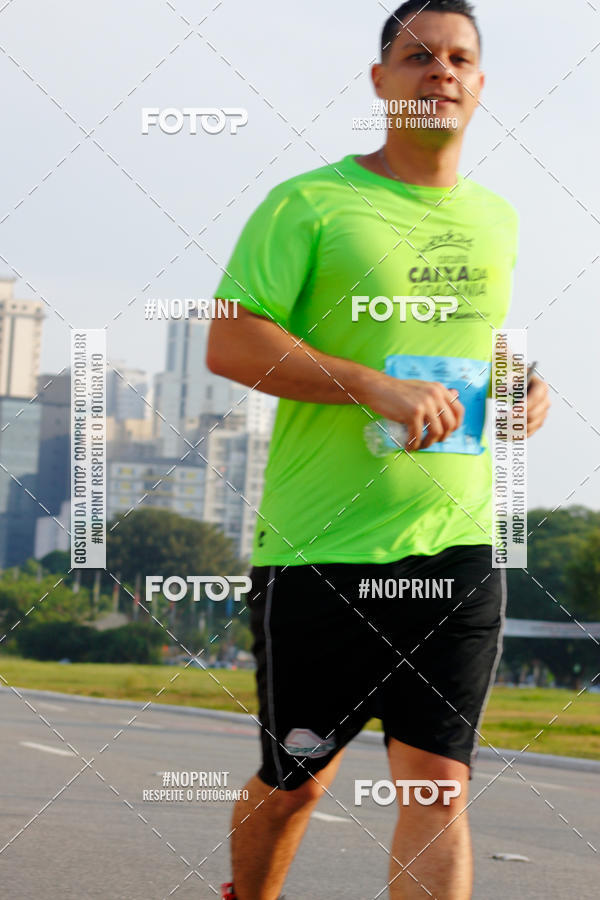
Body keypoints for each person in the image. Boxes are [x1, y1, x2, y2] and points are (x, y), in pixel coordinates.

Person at [208, 1, 550, 897]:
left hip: (456, 543)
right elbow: (231, 343)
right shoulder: (310, 203)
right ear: (379, 81)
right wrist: (371, 384)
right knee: (296, 785)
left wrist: (523, 385)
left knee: (439, 789)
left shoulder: (498, 221)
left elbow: (476, 350)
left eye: (459, 59)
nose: (439, 70)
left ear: (479, 86)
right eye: (417, 56)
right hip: (323, 549)